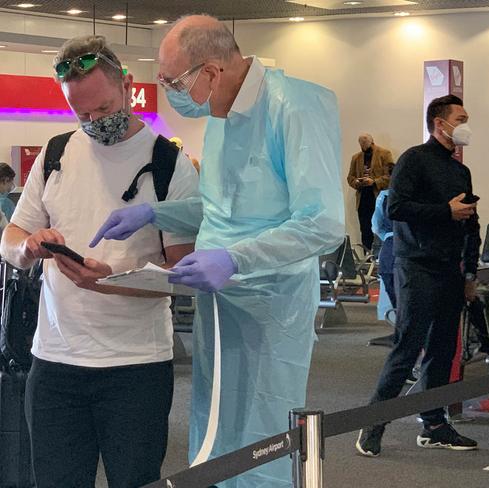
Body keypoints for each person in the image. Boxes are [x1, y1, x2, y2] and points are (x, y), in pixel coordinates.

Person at [90, 15, 344, 487]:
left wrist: (235, 259)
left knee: (265, 432)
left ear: (210, 71)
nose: (167, 91)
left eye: (171, 80)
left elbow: (323, 224)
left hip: (272, 305)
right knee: (216, 427)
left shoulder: (296, 107)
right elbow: (220, 209)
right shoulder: (221, 116)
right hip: (220, 300)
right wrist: (155, 214)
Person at [0, 35, 199, 487]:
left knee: (135, 480)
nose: (94, 122)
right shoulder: (55, 154)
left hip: (135, 367)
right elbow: (10, 238)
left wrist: (109, 279)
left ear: (127, 86)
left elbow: (181, 275)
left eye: (104, 109)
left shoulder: (169, 164)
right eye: (82, 113)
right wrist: (28, 248)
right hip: (53, 363)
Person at [356, 94, 480, 456]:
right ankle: (373, 423)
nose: (466, 124)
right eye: (461, 118)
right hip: (417, 267)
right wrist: (445, 210)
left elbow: (469, 220)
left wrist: (469, 270)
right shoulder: (413, 159)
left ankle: (435, 424)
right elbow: (397, 207)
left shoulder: (460, 170)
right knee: (407, 347)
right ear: (440, 124)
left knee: (443, 350)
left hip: (449, 269)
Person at [347, 133, 394, 252]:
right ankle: (367, 261)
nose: (364, 150)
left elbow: (391, 176)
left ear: (372, 143)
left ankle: (381, 259)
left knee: (381, 230)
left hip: (379, 198)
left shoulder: (385, 154)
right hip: (363, 199)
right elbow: (350, 178)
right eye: (362, 147)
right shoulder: (356, 158)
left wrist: (373, 182)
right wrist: (357, 182)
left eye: (367, 147)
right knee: (365, 230)